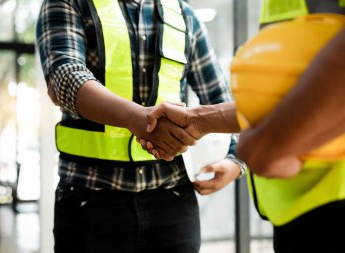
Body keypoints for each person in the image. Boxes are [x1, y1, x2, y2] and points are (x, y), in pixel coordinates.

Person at [36, 0, 245, 252]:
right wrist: (141, 120)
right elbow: (65, 77)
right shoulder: (71, 3)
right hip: (90, 200)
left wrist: (235, 160)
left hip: (173, 201)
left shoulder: (184, 15)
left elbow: (220, 98)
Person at [142, 1, 345, 252]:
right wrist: (197, 120)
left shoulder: (183, 16)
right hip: (299, 208)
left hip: (331, 199)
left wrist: (266, 146)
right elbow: (285, 95)